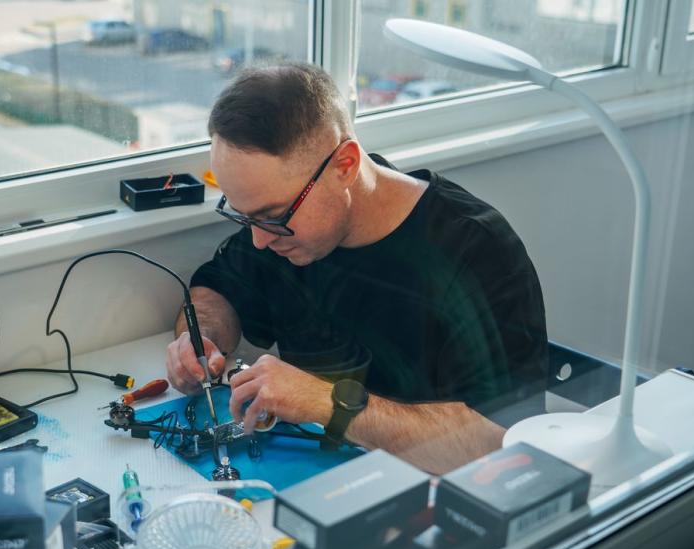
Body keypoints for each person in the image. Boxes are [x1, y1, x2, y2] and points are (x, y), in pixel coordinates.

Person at [165, 63, 547, 474]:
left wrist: (327, 403)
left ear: (345, 165)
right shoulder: (281, 231)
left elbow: (502, 445)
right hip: (318, 476)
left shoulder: (476, 252)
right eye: (243, 217)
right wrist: (201, 337)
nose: (259, 240)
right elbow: (218, 290)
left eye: (272, 216)